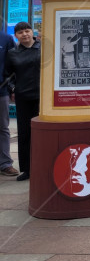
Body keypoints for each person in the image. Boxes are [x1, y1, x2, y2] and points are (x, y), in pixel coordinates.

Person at [4, 22, 41, 181]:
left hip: (43, 97)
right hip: (23, 97)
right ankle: (27, 169)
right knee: (25, 133)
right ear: (16, 36)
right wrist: (12, 89)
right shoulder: (12, 53)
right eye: (20, 32)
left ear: (32, 32)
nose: (24, 34)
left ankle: (43, 166)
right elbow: (8, 75)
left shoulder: (43, 48)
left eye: (27, 31)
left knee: (41, 133)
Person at [0, 26, 18, 177]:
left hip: (2, 91)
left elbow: (13, 65)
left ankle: (5, 163)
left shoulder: (6, 39)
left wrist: (12, 88)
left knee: (3, 128)